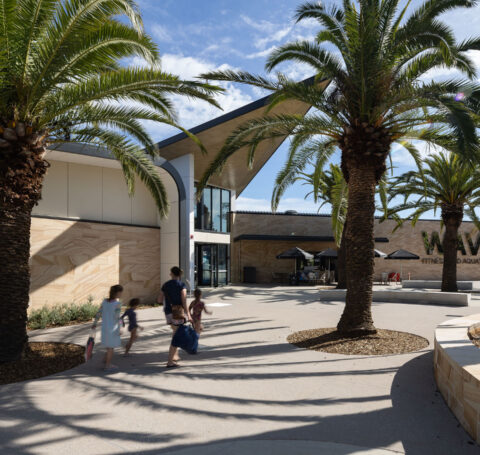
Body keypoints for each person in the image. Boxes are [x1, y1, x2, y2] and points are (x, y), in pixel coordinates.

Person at [157, 266, 193, 368]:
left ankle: (174, 356)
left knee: (175, 332)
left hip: (168, 312)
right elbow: (184, 301)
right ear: (180, 275)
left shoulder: (165, 285)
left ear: (172, 274)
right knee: (176, 336)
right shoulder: (182, 285)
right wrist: (188, 315)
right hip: (178, 313)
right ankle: (170, 361)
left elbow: (159, 300)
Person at [94, 284, 123, 371]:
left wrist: (94, 323)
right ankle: (108, 365)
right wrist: (121, 327)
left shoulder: (104, 301)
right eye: (121, 292)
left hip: (105, 328)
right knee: (111, 348)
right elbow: (118, 317)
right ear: (118, 293)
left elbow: (99, 312)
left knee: (108, 346)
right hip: (113, 328)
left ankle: (105, 359)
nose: (122, 294)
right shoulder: (117, 304)